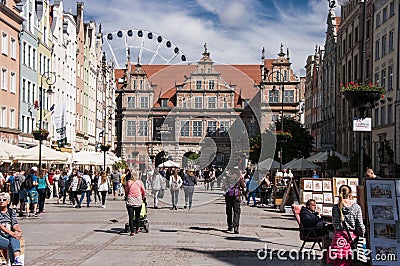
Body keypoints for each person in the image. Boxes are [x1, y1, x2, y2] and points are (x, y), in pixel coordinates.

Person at [328, 185, 366, 266]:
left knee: (338, 262)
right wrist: (363, 233)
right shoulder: (356, 207)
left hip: (338, 238)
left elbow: (334, 224)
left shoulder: (335, 207)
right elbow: (360, 225)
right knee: (350, 261)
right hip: (351, 238)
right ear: (350, 194)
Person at [0, 192, 23, 265]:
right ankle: (14, 262)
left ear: (8, 202)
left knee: (14, 238)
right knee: (11, 243)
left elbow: (14, 223)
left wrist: (18, 231)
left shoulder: (11, 211)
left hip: (8, 235)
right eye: (0, 199)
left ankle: (16, 259)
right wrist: (11, 233)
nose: (1, 201)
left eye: (4, 199)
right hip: (1, 236)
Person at [223, 168, 246, 234]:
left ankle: (230, 226)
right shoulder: (239, 179)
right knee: (237, 212)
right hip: (236, 197)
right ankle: (236, 227)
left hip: (228, 197)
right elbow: (244, 187)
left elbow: (223, 187)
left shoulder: (227, 178)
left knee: (229, 211)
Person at [125, 170, 146, 236]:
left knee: (131, 217)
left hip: (130, 200)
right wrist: (142, 198)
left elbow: (126, 191)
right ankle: (137, 228)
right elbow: (143, 191)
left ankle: (132, 231)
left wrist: (127, 196)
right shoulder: (140, 182)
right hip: (138, 200)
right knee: (137, 216)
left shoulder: (128, 182)